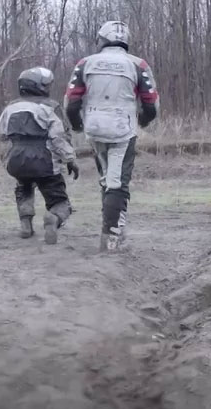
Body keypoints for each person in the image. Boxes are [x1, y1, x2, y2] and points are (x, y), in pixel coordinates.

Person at [64, 21, 158, 252]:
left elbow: (71, 101)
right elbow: (151, 102)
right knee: (117, 183)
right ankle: (112, 237)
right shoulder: (138, 64)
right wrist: (143, 120)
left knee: (106, 179)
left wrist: (77, 125)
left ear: (102, 40)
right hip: (123, 129)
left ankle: (111, 228)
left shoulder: (85, 63)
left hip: (94, 127)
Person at [0, 67, 79, 245]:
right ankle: (54, 217)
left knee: (23, 188)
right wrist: (70, 159)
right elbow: (59, 137)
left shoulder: (11, 107)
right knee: (59, 200)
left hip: (16, 159)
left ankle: (26, 224)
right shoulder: (50, 107)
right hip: (44, 160)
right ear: (40, 87)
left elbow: (0, 134)